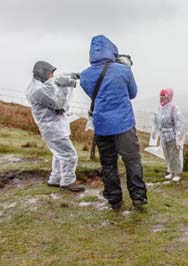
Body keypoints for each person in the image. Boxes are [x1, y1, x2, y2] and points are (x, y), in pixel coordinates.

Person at [80, 35, 147, 210]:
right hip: (124, 124)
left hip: (102, 125)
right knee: (132, 160)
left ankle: (114, 199)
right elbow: (132, 93)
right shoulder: (123, 70)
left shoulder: (85, 75)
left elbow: (94, 94)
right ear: (112, 49)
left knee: (108, 163)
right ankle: (138, 197)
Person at [25, 61, 84, 192]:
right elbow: (58, 104)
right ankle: (68, 181)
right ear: (43, 74)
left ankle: (55, 178)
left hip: (53, 127)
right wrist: (65, 86)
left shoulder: (39, 85)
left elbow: (54, 81)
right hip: (52, 129)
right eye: (50, 73)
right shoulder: (39, 90)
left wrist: (75, 75)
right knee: (70, 154)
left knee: (59, 154)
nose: (52, 75)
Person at [150, 88, 185, 182]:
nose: (161, 99)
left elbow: (179, 123)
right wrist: (154, 131)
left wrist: (179, 137)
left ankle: (177, 173)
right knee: (167, 155)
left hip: (172, 136)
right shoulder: (159, 108)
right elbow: (156, 120)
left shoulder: (174, 108)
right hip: (163, 136)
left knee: (174, 155)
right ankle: (171, 172)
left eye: (163, 97)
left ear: (169, 97)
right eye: (160, 97)